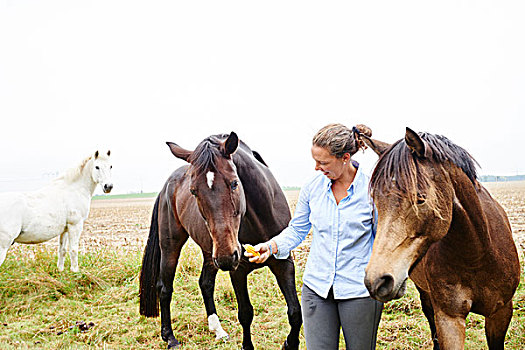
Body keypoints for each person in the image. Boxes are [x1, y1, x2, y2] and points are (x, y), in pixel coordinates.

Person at [246, 123, 383, 350]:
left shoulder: (372, 190)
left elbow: (382, 240)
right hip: (317, 288)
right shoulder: (312, 187)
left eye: (324, 162)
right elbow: (298, 229)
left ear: (345, 157)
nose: (317, 168)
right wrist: (270, 247)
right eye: (315, 161)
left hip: (358, 291)